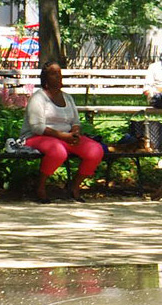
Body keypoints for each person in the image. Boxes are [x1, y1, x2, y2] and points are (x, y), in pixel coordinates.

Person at [24, 62, 103, 202]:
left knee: (95, 150)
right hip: (38, 136)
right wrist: (63, 136)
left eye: (60, 74)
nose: (58, 77)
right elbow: (37, 127)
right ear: (45, 78)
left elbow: (75, 122)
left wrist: (75, 133)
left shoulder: (67, 98)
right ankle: (41, 186)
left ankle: (74, 186)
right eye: (53, 74)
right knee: (57, 152)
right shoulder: (38, 98)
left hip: (65, 137)